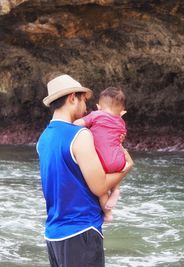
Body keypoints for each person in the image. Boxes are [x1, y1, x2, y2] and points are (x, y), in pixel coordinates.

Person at [36, 74, 133, 267]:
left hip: (54, 234)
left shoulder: (43, 139)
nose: (86, 107)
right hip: (81, 231)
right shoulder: (80, 135)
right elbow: (99, 187)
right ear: (72, 98)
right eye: (83, 100)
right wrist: (126, 168)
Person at [74, 86, 132, 221]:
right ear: (121, 111)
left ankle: (107, 214)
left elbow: (78, 123)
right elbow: (120, 137)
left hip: (102, 161)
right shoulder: (121, 122)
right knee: (114, 174)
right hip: (119, 159)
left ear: (98, 106)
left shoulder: (96, 115)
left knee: (101, 190)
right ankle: (116, 190)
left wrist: (72, 124)